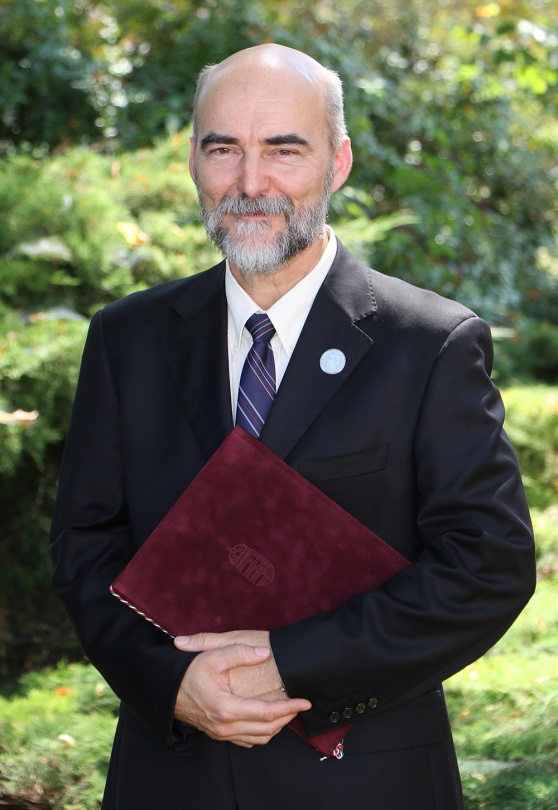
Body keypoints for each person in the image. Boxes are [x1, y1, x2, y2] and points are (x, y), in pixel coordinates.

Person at [50, 44, 536, 810]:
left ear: (337, 162)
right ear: (193, 160)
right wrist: (170, 681)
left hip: (368, 780)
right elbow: (85, 547)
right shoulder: (126, 339)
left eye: (284, 149)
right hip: (170, 777)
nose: (250, 183)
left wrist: (292, 663)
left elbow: (488, 564)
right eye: (224, 149)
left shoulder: (429, 345)